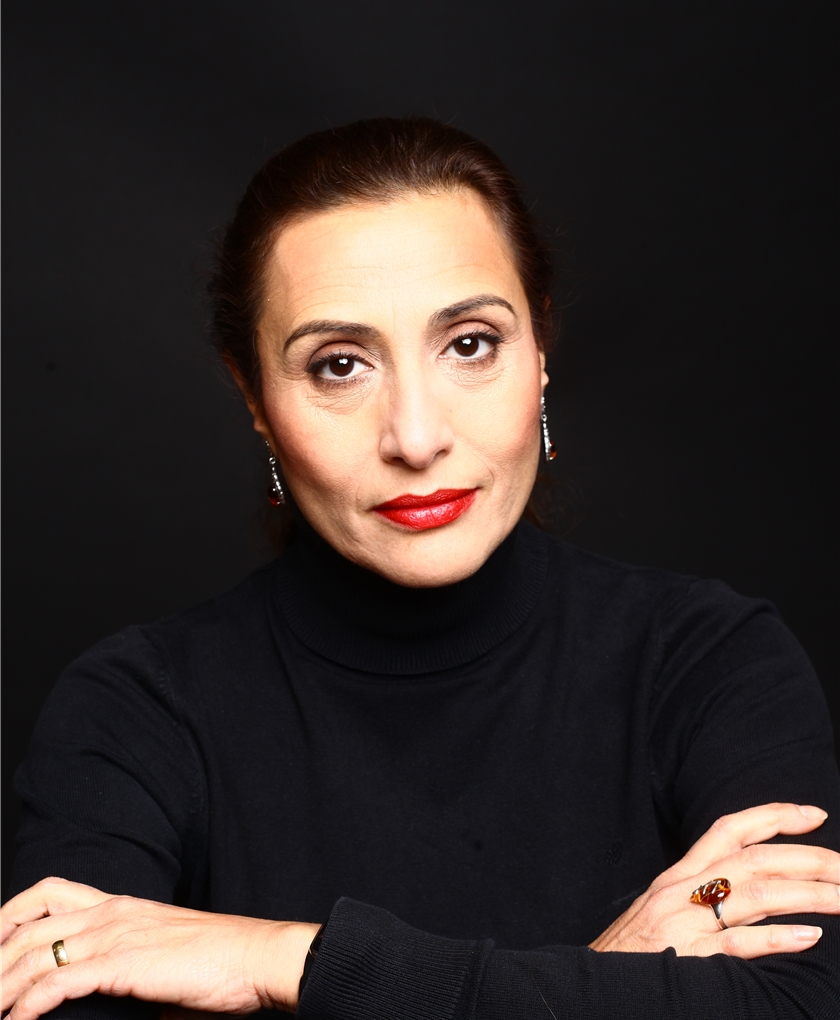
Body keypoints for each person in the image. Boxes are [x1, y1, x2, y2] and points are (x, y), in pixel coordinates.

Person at [2, 118, 839, 1020]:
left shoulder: (711, 662)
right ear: (254, 398)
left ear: (540, 351)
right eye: (340, 366)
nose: (416, 436)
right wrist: (597, 977)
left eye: (470, 344)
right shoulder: (135, 711)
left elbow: (799, 1007)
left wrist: (277, 957)